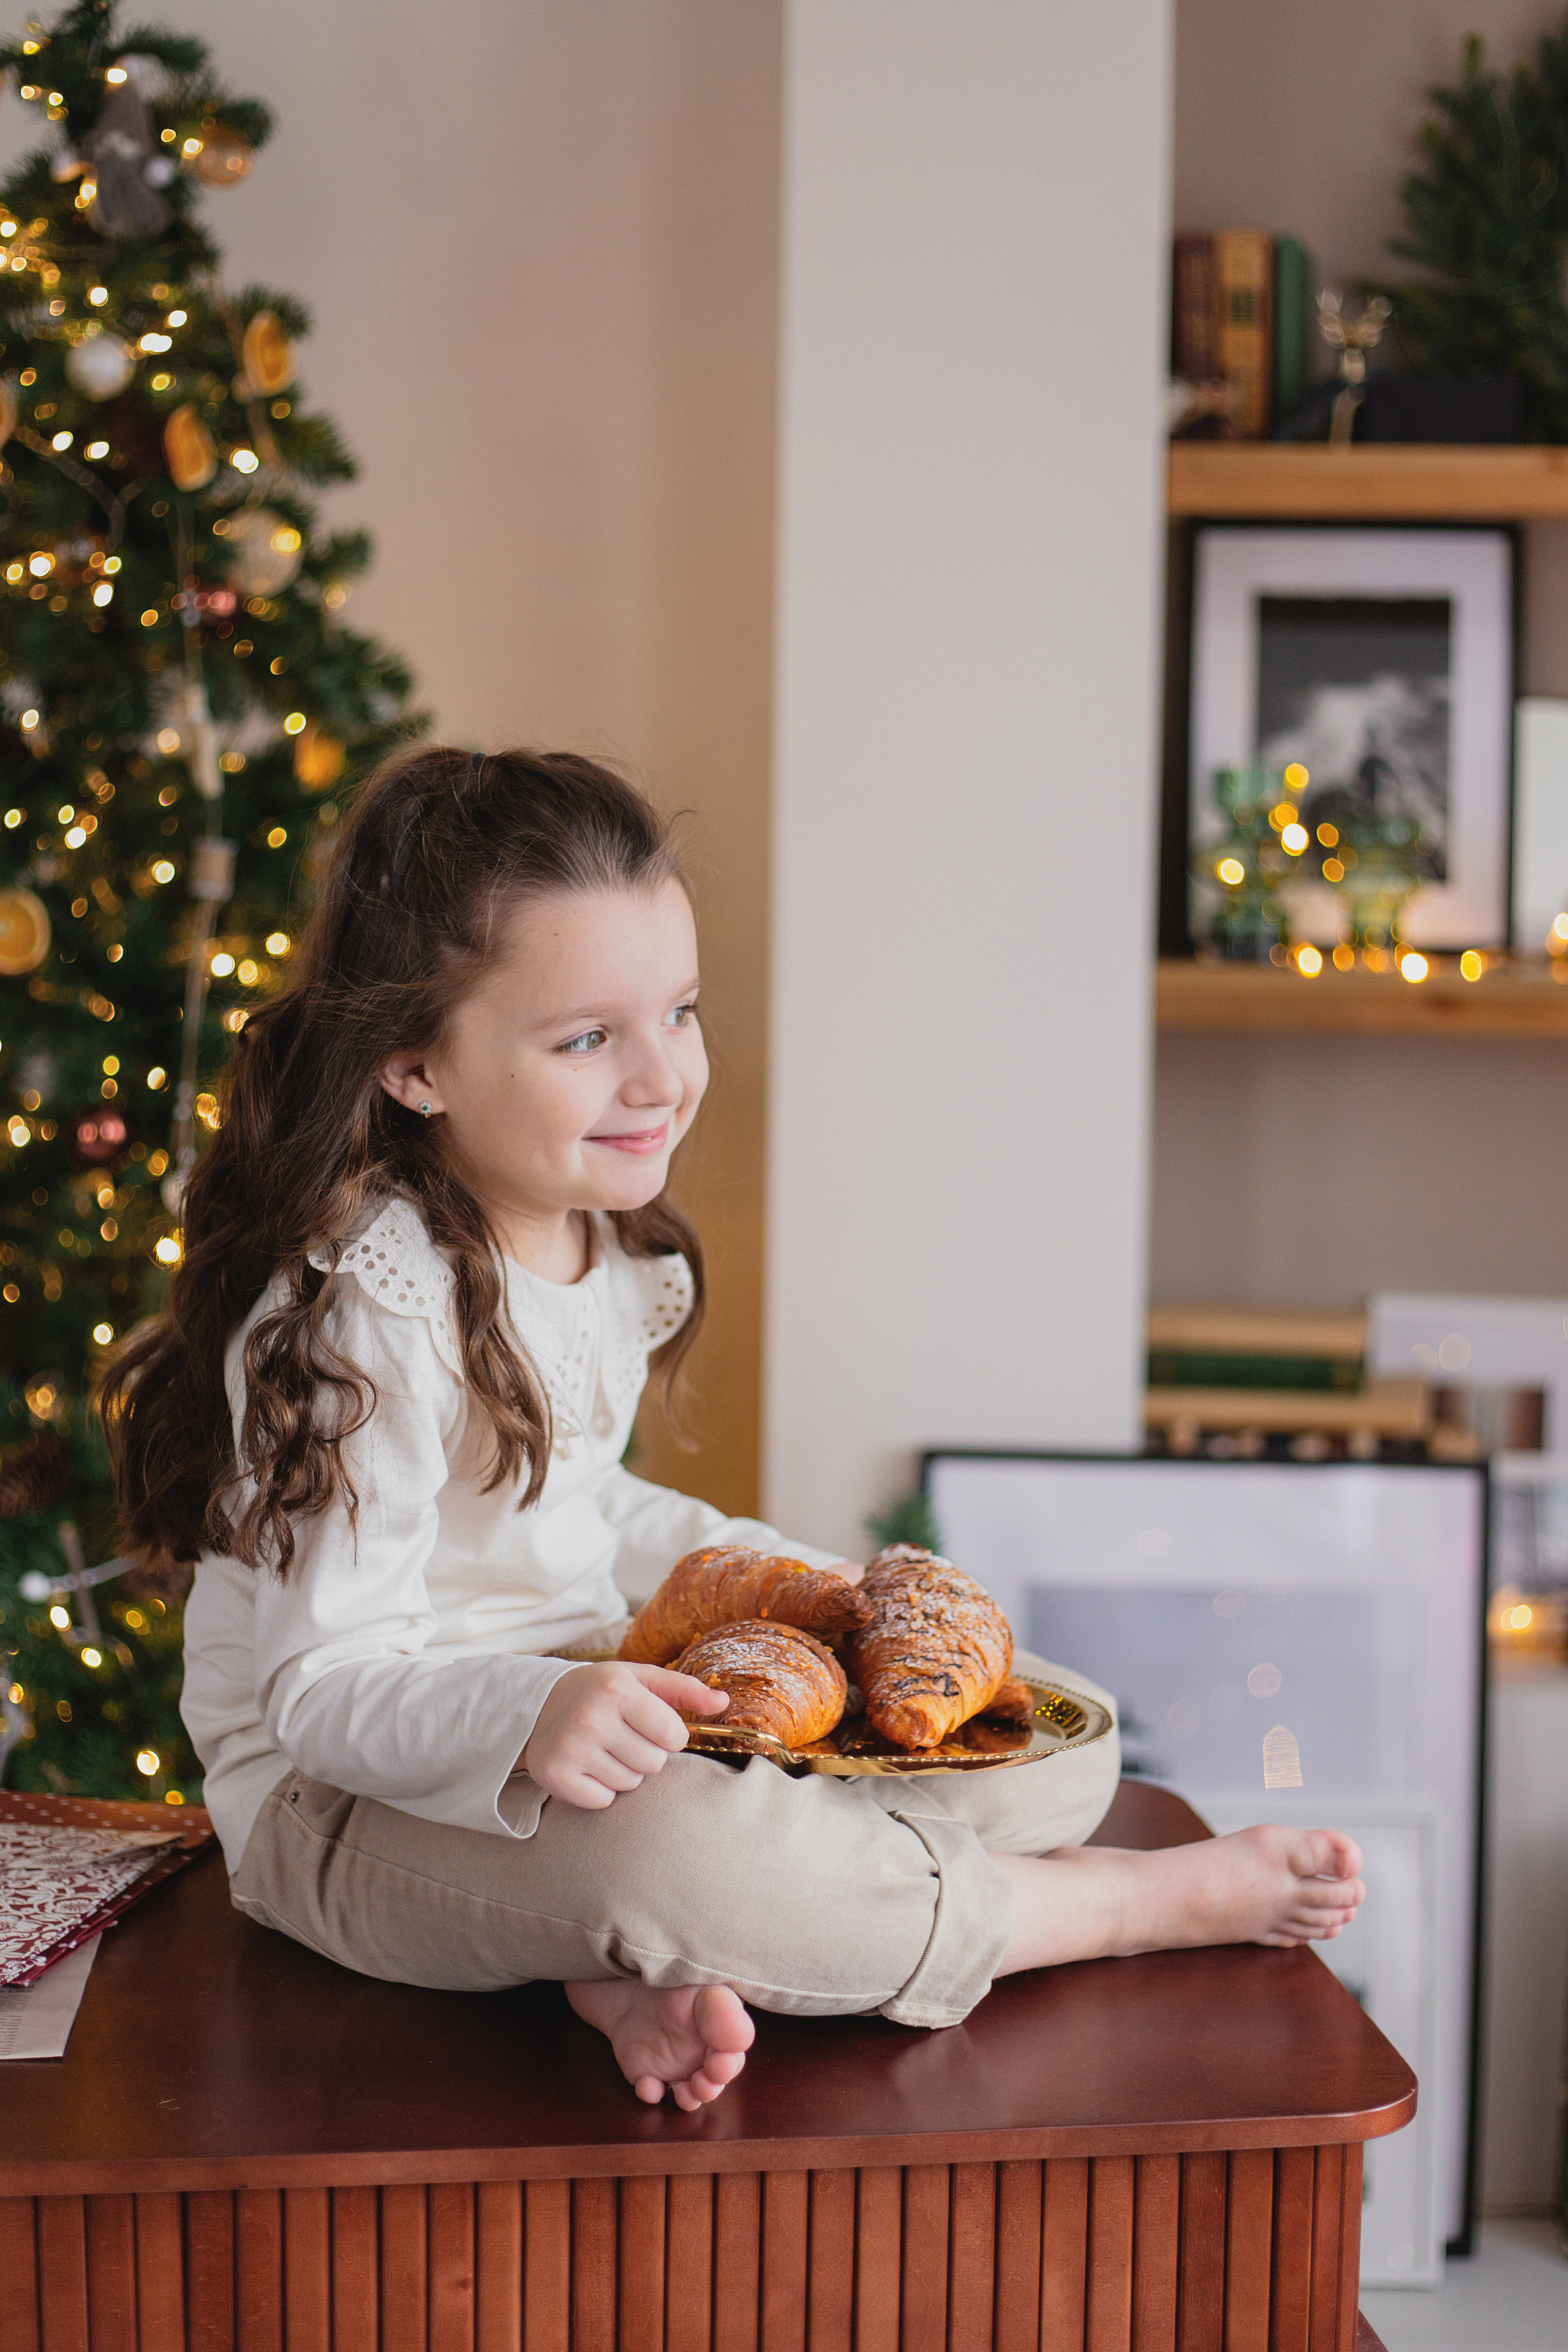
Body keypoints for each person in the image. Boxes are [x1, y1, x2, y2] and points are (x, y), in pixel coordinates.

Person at [103, 748, 1365, 2113]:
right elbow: (322, 1690)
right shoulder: (371, 1307)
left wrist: (799, 1583)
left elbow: (579, 1509)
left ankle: (619, 1952)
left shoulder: (586, 1233)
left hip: (572, 1697)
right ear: (415, 1066)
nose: (663, 1078)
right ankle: (1100, 1908)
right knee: (690, 1860)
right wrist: (531, 1715)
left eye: (680, 1012)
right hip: (340, 1803)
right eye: (586, 1039)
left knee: (1058, 1744)